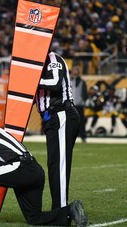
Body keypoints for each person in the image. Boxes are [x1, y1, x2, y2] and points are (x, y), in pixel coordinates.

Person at [35, 51, 80, 209]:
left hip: (62, 113)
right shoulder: (37, 65)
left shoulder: (53, 59)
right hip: (52, 119)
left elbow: (55, 82)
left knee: (59, 164)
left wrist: (31, 79)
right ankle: (59, 208)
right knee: (54, 165)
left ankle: (61, 210)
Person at [71, 66, 88, 142]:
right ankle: (71, 136)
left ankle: (83, 136)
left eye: (76, 70)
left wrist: (82, 100)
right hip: (71, 105)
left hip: (79, 104)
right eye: (74, 70)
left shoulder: (82, 82)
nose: (75, 72)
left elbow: (85, 93)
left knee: (81, 121)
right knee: (71, 122)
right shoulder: (69, 80)